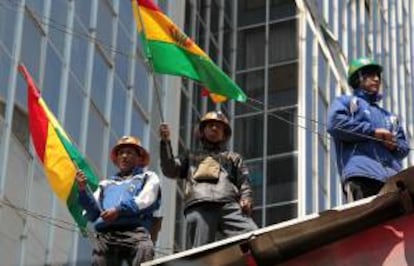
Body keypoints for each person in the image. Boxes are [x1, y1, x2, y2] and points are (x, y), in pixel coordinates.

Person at [159, 110, 258, 249]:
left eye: (219, 126)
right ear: (202, 131)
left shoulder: (233, 157)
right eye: (210, 125)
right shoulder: (190, 155)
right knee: (202, 250)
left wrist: (246, 198)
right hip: (200, 204)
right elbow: (170, 169)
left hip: (228, 204)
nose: (214, 128)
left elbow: (244, 181)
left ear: (224, 134)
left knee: (251, 235)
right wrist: (165, 143)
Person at [327, 57, 409, 202]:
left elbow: (404, 147)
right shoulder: (347, 102)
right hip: (361, 175)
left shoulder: (389, 117)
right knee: (368, 220)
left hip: (393, 181)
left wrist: (393, 145)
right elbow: (335, 124)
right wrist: (372, 132)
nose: (376, 79)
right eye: (371, 75)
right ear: (358, 78)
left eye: (378, 76)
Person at [75, 136, 161, 265]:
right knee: (99, 259)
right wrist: (82, 190)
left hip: (135, 231)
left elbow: (144, 201)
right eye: (121, 153)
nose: (124, 156)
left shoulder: (148, 177)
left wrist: (118, 210)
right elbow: (93, 213)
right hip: (107, 235)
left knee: (145, 248)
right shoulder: (105, 185)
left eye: (129, 152)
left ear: (139, 158)